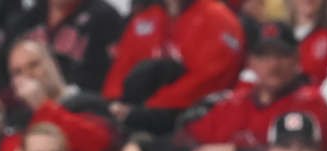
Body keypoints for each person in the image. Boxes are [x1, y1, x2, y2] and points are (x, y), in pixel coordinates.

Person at [185, 22, 327, 151]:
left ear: (296, 60)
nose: (273, 64)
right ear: (251, 62)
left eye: (282, 55)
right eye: (264, 55)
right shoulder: (235, 102)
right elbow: (183, 142)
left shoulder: (312, 104)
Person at [101, 0, 248, 131]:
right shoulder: (147, 18)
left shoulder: (220, 19)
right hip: (138, 106)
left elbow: (207, 82)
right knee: (90, 109)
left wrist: (149, 106)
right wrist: (115, 102)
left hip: (185, 114)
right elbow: (121, 69)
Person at [0, 0, 125, 96]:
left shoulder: (104, 16)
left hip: (78, 104)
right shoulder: (27, 19)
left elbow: (101, 76)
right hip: (23, 105)